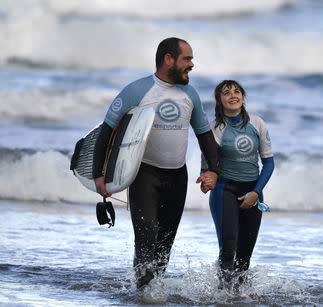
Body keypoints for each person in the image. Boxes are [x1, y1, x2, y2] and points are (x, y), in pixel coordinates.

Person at [92, 37, 219, 289]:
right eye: (187, 59)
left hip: (177, 176)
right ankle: (143, 292)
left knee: (165, 242)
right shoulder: (137, 91)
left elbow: (205, 136)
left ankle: (153, 290)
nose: (192, 64)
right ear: (168, 59)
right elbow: (106, 131)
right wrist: (99, 173)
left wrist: (213, 170)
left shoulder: (189, 94)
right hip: (144, 175)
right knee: (146, 236)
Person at [200, 80, 274, 289]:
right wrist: (205, 177)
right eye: (226, 93)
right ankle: (223, 296)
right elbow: (207, 165)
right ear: (219, 100)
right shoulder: (214, 128)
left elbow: (268, 163)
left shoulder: (257, 124)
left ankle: (239, 296)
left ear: (243, 96)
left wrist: (256, 192)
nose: (233, 95)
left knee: (245, 255)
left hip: (253, 192)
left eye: (237, 91)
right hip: (225, 191)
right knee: (228, 247)